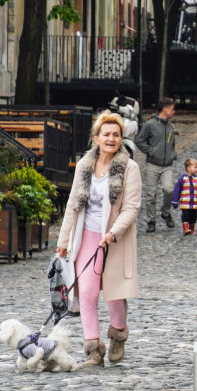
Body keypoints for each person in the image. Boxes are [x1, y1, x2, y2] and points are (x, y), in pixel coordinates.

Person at [55, 111, 142, 366]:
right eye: (107, 134)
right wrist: (63, 242)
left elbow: (132, 207)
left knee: (114, 294)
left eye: (116, 135)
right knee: (89, 293)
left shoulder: (129, 168)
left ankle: (117, 333)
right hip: (86, 237)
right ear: (96, 138)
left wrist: (113, 232)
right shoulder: (84, 166)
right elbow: (73, 204)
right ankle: (93, 348)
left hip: (115, 239)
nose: (111, 139)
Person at [134, 96, 178, 233]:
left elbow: (172, 144)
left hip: (167, 165)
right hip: (153, 165)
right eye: (172, 109)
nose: (174, 112)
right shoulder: (150, 125)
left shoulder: (170, 126)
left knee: (169, 189)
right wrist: (151, 151)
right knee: (151, 194)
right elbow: (139, 140)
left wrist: (173, 154)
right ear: (165, 109)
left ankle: (166, 212)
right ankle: (151, 221)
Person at [170, 157, 197, 236]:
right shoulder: (183, 179)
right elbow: (177, 190)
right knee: (185, 216)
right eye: (195, 167)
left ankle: (191, 229)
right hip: (185, 203)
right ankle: (185, 229)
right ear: (188, 168)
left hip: (194, 204)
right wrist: (174, 200)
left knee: (193, 217)